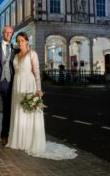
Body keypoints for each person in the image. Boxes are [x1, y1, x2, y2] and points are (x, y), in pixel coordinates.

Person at [6, 32, 77, 160]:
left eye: (22, 40)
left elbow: (37, 72)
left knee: (28, 111)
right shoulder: (16, 56)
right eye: (18, 41)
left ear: (27, 41)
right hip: (17, 85)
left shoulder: (32, 54)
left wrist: (38, 89)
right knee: (18, 111)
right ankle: (18, 140)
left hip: (28, 84)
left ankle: (29, 141)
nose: (20, 43)